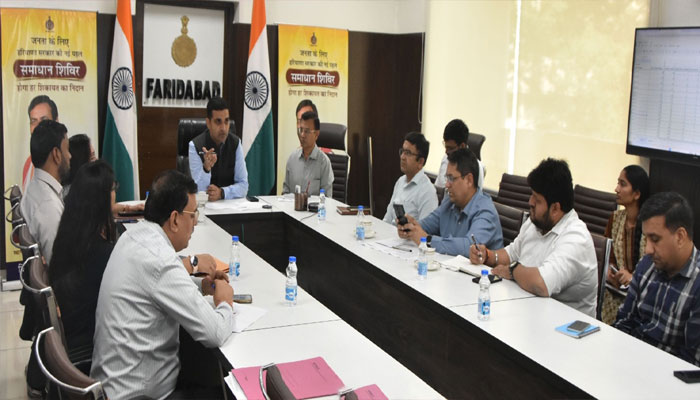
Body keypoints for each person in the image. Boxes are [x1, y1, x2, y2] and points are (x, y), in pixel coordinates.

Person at [91, 170, 234, 399]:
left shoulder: (133, 236)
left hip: (112, 385)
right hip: (139, 395)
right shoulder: (160, 259)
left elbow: (155, 286)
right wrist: (225, 302)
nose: (195, 224)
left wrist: (201, 287)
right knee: (222, 390)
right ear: (175, 219)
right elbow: (215, 332)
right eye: (193, 215)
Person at [469, 158, 597, 317]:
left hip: (564, 324)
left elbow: (541, 284)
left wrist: (513, 270)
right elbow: (511, 254)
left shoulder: (576, 238)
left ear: (555, 208)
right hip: (529, 312)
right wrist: (487, 255)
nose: (530, 202)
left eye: (537, 200)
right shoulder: (536, 223)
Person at [614, 192, 700, 366]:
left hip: (667, 375)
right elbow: (624, 321)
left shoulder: (696, 283)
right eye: (646, 239)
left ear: (680, 236)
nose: (648, 250)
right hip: (629, 361)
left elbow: (691, 365)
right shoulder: (647, 265)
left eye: (655, 239)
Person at [48, 160, 116, 372]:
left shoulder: (70, 235)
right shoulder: (101, 254)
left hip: (70, 336)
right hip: (88, 347)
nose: (116, 194)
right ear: (102, 199)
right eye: (113, 189)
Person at [398, 148, 502, 256]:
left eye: (451, 179)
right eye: (447, 178)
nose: (447, 184)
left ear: (469, 180)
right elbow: (427, 225)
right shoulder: (449, 202)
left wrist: (428, 240)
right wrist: (410, 228)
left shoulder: (486, 211)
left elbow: (471, 247)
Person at [601, 165, 649, 324]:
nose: (616, 189)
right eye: (618, 183)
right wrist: (610, 272)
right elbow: (608, 257)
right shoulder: (615, 218)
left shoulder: (650, 225)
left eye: (622, 184)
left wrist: (632, 279)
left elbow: (655, 270)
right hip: (613, 294)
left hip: (641, 298)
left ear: (637, 194)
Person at [20, 119, 70, 263]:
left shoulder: (34, 188)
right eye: (67, 149)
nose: (70, 156)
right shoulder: (48, 207)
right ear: (56, 154)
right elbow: (60, 266)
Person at [189, 97, 248, 201]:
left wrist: (222, 192)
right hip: (205, 206)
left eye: (226, 121)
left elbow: (244, 186)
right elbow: (197, 190)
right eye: (218, 122)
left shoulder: (236, 143)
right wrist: (206, 168)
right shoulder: (195, 145)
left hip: (230, 205)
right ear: (208, 123)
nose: (223, 128)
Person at [383, 132, 438, 225]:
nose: (402, 157)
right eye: (402, 151)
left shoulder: (428, 191)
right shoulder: (400, 181)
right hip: (390, 233)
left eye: (408, 153)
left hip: (406, 235)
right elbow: (387, 219)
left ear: (420, 162)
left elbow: (425, 230)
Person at [282, 101, 334, 196]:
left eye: (307, 131)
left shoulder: (324, 163)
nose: (302, 135)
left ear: (316, 134)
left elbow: (327, 199)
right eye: (301, 130)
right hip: (293, 205)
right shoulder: (292, 159)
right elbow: (285, 192)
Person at [434, 119, 484, 191]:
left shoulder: (477, 167)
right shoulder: (446, 158)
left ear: (462, 146)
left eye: (450, 148)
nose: (446, 151)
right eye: (446, 146)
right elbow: (438, 187)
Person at [22, 95, 59, 192]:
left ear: (56, 121)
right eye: (33, 121)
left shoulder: (66, 162)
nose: (38, 126)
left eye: (44, 120)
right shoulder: (28, 164)